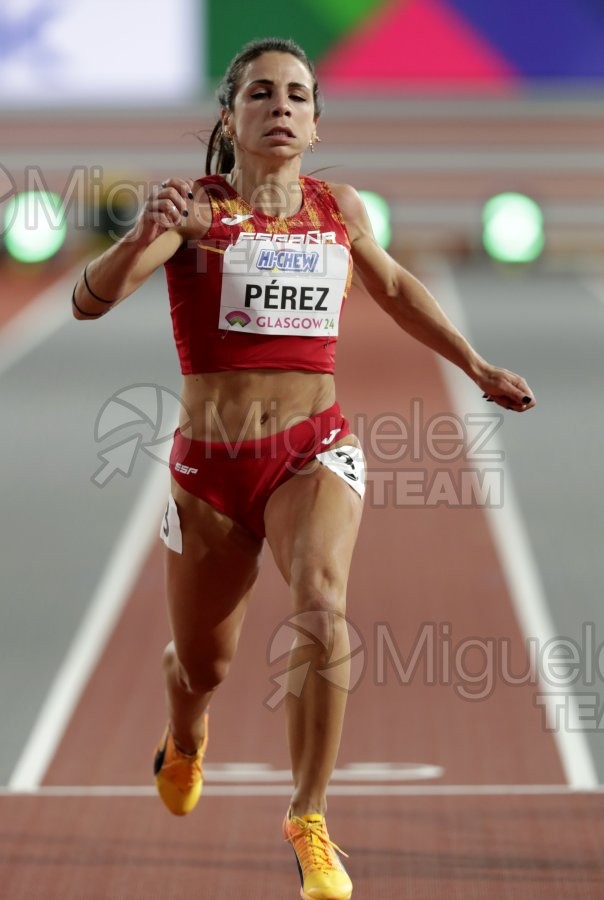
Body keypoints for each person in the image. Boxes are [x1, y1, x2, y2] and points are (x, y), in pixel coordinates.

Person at [72, 36, 535, 900]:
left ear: (317, 124)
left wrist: (475, 367)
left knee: (323, 603)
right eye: (260, 94)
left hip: (312, 449)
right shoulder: (198, 209)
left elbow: (395, 289)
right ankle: (186, 733)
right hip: (209, 471)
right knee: (201, 666)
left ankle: (309, 817)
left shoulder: (339, 208)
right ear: (229, 118)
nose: (280, 106)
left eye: (296, 95)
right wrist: (145, 234)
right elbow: (87, 302)